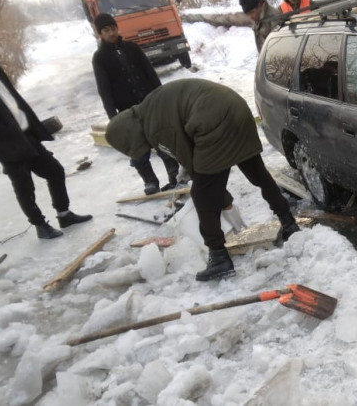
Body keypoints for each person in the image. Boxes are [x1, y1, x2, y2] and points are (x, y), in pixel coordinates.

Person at [105, 79, 301, 282]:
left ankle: (219, 258)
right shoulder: (149, 108)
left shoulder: (154, 127)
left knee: (201, 194)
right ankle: (288, 222)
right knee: (258, 174)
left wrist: (220, 198)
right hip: (236, 108)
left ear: (130, 136)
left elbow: (195, 167)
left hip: (213, 122)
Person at [0, 64, 92, 239]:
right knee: (25, 188)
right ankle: (40, 225)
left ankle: (64, 214)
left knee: (55, 171)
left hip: (26, 135)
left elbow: (13, 101)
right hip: (7, 145)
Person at [91, 12, 181, 195]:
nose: (111, 32)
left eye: (113, 28)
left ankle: (175, 175)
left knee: (162, 141)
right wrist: (113, 118)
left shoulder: (132, 48)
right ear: (100, 34)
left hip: (149, 103)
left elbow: (150, 73)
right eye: (106, 30)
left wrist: (162, 96)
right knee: (137, 149)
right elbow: (104, 90)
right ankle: (150, 181)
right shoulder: (99, 58)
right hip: (126, 111)